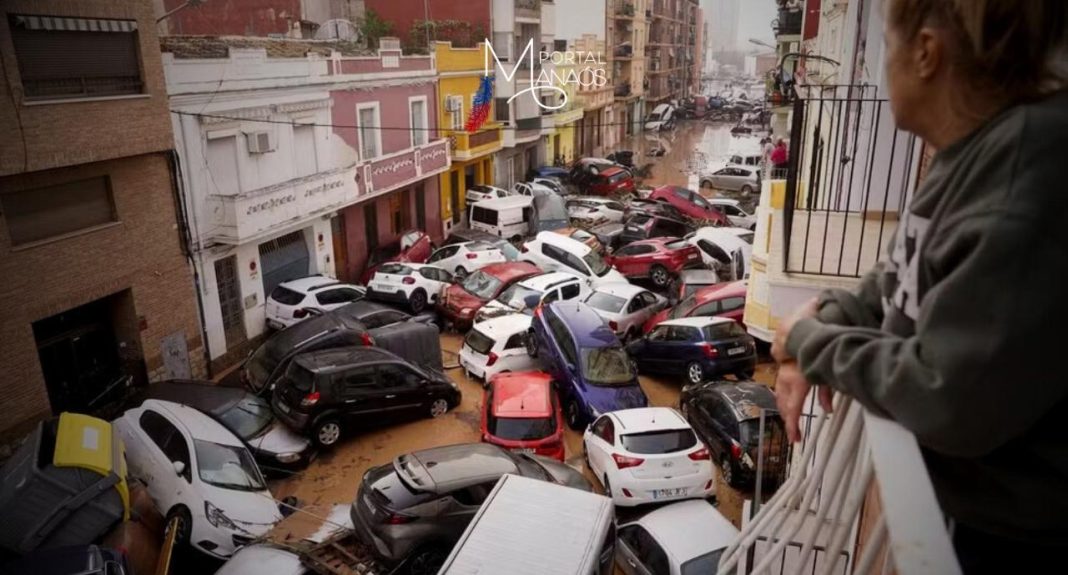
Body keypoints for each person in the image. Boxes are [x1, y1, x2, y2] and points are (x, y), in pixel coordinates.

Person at [770, 0, 1067, 571]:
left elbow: (946, 394)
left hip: (1014, 545)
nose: (883, 63)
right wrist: (832, 313)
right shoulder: (974, 154)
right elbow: (895, 277)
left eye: (885, 42)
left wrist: (810, 342)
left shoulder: (1025, 177)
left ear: (927, 53)